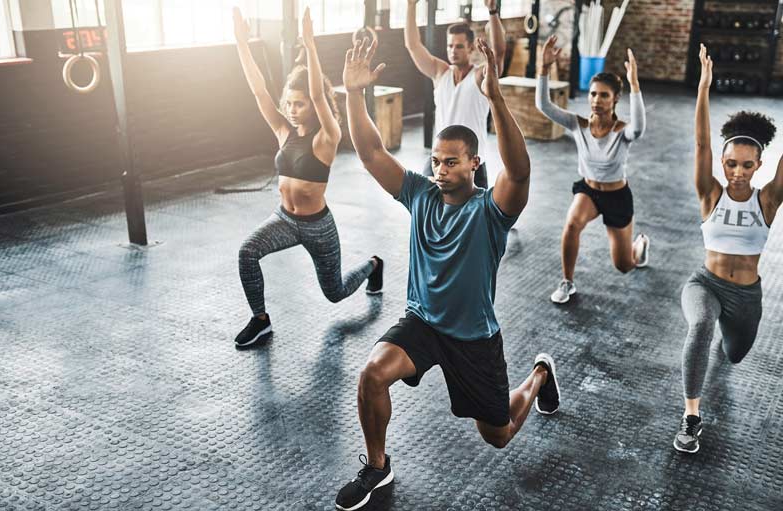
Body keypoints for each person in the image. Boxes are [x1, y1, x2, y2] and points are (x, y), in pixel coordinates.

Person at [334, 37, 560, 510]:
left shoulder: (491, 210)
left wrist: (496, 97)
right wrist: (354, 95)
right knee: (372, 375)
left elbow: (519, 173)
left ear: (475, 163)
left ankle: (539, 374)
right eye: (436, 160)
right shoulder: (419, 194)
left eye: (451, 161)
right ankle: (378, 468)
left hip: (473, 338)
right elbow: (373, 153)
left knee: (498, 435)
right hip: (422, 322)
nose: (440, 169)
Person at [232, 7, 383, 347]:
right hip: (284, 219)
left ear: (313, 108)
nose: (290, 108)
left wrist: (311, 47)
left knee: (336, 293)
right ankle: (260, 320)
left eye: (298, 104)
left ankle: (374, 265)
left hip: (318, 227)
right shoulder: (283, 131)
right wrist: (242, 43)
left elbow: (318, 94)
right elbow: (259, 91)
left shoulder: (326, 137)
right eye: (288, 102)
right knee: (247, 251)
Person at [674, 44, 781, 454]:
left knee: (734, 355)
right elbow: (701, 144)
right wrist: (703, 88)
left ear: (759, 166)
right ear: (722, 162)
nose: (737, 172)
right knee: (700, 324)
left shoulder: (768, 200)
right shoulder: (710, 193)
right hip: (705, 283)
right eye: (731, 163)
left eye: (746, 165)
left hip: (746, 296)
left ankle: (724, 335)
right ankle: (691, 417)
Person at [536, 35, 649, 304]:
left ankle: (639, 247)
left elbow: (640, 127)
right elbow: (544, 106)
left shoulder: (622, 131)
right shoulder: (578, 125)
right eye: (593, 94)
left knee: (624, 265)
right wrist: (543, 69)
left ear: (615, 99)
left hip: (617, 196)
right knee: (572, 223)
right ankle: (567, 282)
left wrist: (635, 85)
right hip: (588, 190)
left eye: (604, 95)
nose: (597, 100)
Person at [404, 0, 506, 189]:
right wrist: (411, 7)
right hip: (440, 161)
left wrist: (493, 11)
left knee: (474, 218)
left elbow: (499, 54)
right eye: (450, 46)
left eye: (459, 46)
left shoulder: (479, 76)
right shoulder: (439, 72)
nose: (453, 51)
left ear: (471, 48)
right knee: (428, 212)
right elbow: (413, 46)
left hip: (472, 164)